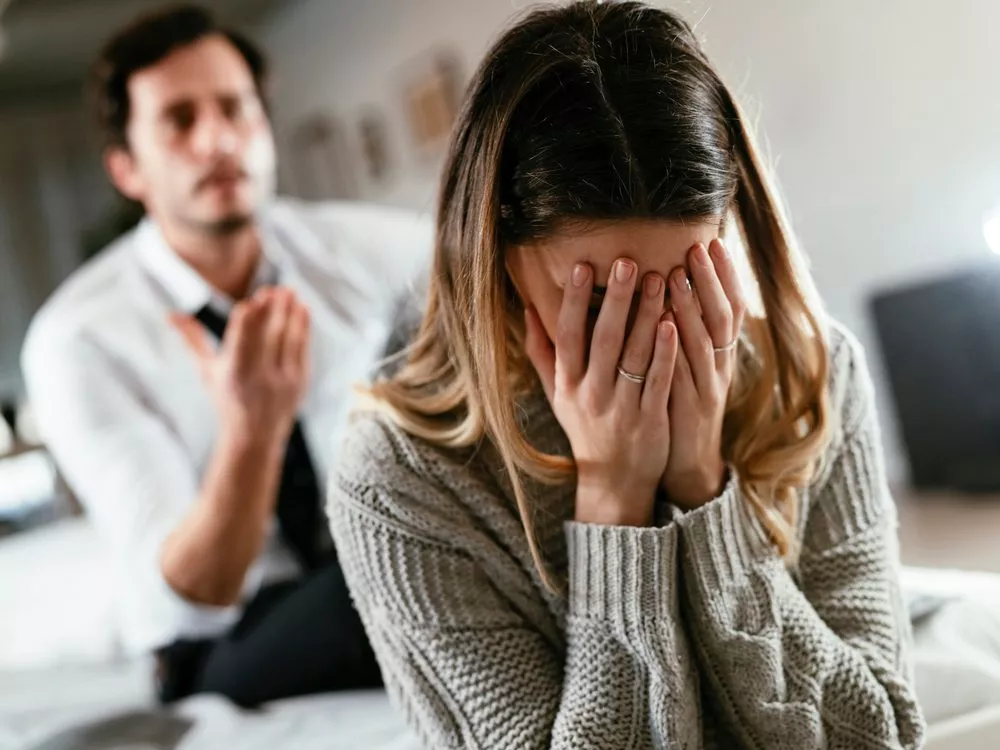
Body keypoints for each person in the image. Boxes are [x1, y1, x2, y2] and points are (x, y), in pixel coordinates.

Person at [327, 2, 927, 748]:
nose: (655, 342)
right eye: (603, 304)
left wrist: (704, 490)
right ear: (495, 252)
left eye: (687, 287)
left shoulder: (812, 374)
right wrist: (614, 501)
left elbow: (874, 737)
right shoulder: (400, 478)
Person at [21, 5, 430, 707]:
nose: (218, 140)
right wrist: (252, 430)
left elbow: (491, 265)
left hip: (363, 560)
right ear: (127, 169)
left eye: (236, 109)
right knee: (409, 569)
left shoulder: (361, 252)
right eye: (180, 121)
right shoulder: (78, 341)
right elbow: (195, 594)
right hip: (219, 635)